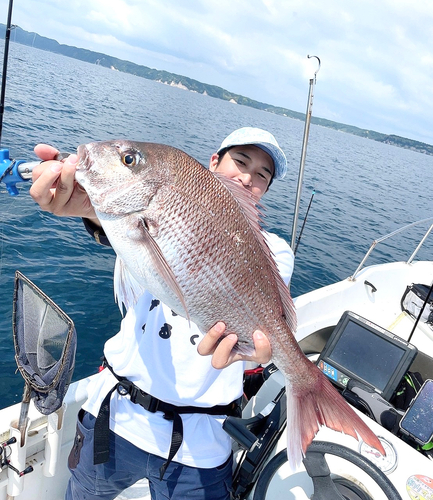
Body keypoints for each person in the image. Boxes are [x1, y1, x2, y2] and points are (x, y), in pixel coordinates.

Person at [30, 127, 295, 500]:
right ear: (214, 163)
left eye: (262, 175)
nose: (248, 177)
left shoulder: (274, 252)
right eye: (241, 161)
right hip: (117, 418)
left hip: (200, 445)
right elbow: (129, 239)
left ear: (265, 190)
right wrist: (91, 210)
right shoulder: (155, 210)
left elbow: (256, 303)